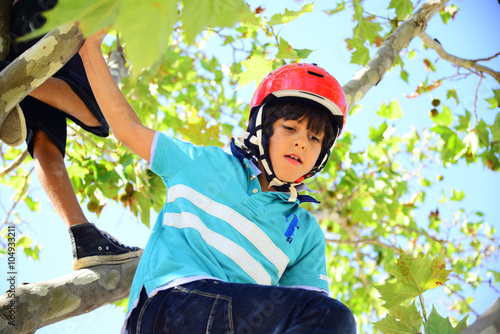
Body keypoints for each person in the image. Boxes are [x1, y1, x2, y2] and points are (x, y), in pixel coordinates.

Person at [79, 29, 356, 334]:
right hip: (170, 306)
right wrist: (89, 48)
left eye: (314, 137)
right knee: (330, 316)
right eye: (290, 128)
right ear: (262, 128)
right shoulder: (202, 163)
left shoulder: (306, 232)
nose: (301, 143)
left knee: (332, 323)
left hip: (234, 322)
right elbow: (127, 127)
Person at [0, 0, 142, 270]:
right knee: (101, 110)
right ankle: (7, 81)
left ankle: (82, 234)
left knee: (45, 137)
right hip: (42, 11)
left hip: (22, 36)